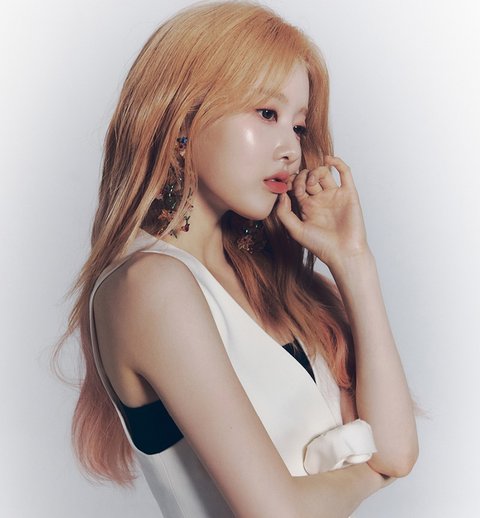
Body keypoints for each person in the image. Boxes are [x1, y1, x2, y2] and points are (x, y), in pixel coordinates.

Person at [54, 2, 419, 516]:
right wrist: (366, 473)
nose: (291, 149)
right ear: (182, 121)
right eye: (267, 114)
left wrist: (353, 261)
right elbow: (278, 512)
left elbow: (398, 451)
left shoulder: (279, 287)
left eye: (299, 127)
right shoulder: (149, 285)